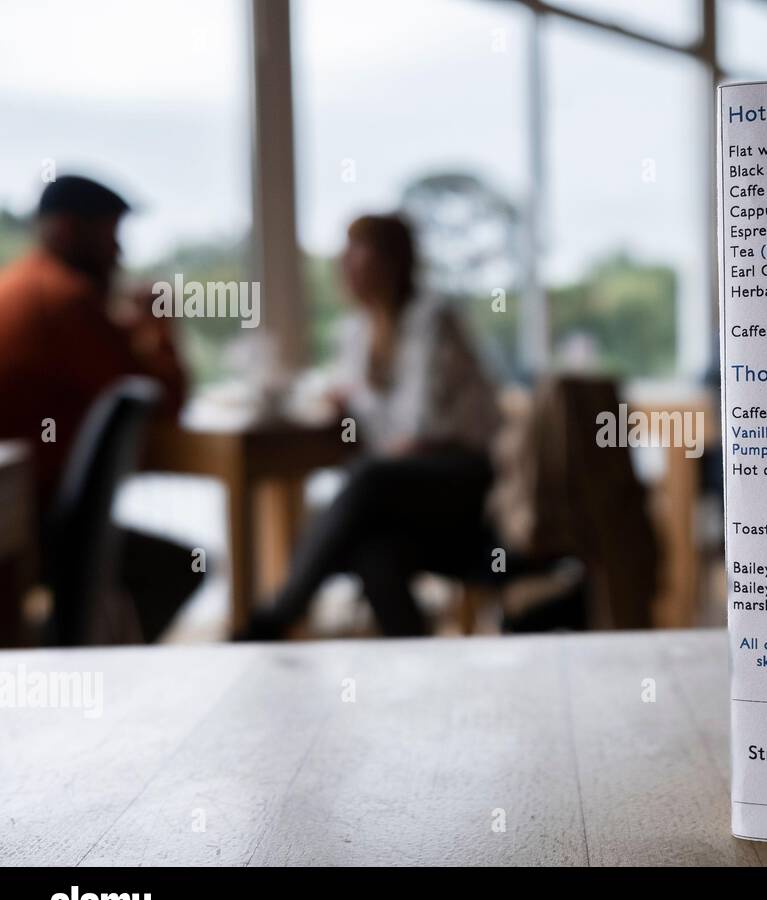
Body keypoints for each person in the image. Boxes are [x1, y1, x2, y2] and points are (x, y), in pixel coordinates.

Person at [236, 214, 503, 638]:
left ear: (393, 260)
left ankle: (274, 619)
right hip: (400, 486)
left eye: (358, 249)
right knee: (373, 549)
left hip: (467, 481)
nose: (344, 262)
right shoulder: (356, 332)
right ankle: (421, 665)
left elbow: (424, 430)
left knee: (368, 481)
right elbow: (364, 414)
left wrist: (371, 438)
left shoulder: (433, 318)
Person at [0, 175, 198, 641]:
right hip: (34, 525)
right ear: (69, 230)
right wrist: (160, 326)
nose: (119, 252)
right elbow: (166, 401)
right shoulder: (68, 300)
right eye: (111, 235)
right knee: (178, 568)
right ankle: (92, 667)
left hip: (20, 517)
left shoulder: (20, 287)